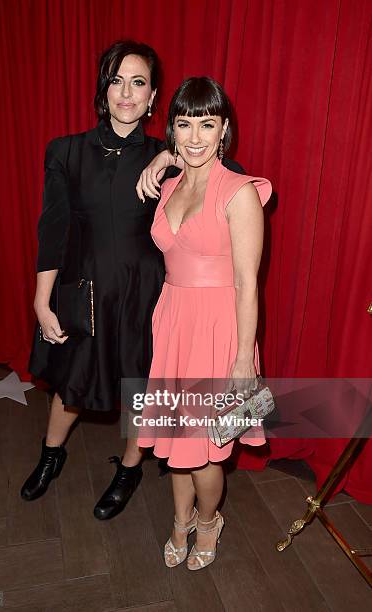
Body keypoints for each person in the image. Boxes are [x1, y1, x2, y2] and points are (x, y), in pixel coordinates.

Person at [22, 40, 245, 521]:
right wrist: (42, 302)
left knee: (140, 389)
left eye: (138, 82)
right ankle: (50, 455)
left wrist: (170, 158)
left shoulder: (174, 152)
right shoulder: (65, 151)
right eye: (116, 80)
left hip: (148, 296)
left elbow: (231, 178)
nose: (126, 92)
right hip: (84, 292)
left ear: (153, 95)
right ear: (104, 89)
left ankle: (129, 467)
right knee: (71, 382)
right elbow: (52, 230)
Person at [137, 77, 272, 570]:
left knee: (210, 452)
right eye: (185, 124)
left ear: (224, 131)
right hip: (173, 324)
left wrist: (243, 361)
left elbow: (247, 283)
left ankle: (209, 520)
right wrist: (163, 158)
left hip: (221, 334)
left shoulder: (240, 193)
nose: (195, 137)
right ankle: (180, 521)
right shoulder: (169, 182)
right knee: (176, 441)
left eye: (207, 125)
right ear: (172, 129)